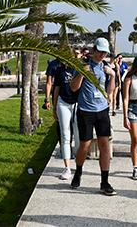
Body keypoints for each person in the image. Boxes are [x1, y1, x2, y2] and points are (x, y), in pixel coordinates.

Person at [69, 37, 116, 195]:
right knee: (85, 146)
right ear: (94, 50)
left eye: (105, 52)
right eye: (100, 51)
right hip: (85, 111)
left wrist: (113, 75)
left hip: (102, 110)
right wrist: (82, 74)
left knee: (104, 146)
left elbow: (109, 92)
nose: (103, 55)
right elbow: (74, 88)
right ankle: (78, 172)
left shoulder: (106, 66)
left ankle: (104, 181)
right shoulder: (82, 65)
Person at [52, 47, 82, 180]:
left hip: (76, 103)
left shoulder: (77, 69)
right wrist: (54, 108)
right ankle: (67, 168)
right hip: (62, 103)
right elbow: (56, 89)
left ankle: (78, 165)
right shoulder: (58, 70)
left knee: (78, 135)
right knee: (65, 135)